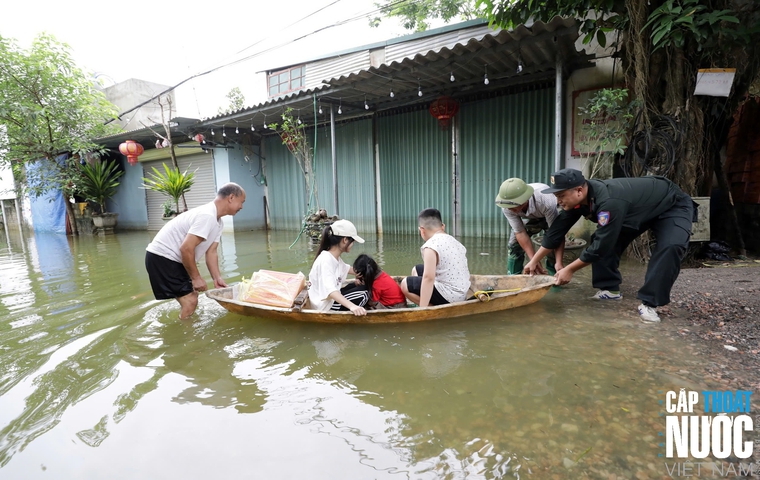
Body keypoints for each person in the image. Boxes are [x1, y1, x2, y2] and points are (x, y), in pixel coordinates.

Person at [523, 168, 695, 323]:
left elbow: (600, 247)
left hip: (671, 204)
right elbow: (556, 232)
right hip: (636, 211)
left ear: (579, 190)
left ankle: (650, 303)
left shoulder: (609, 202)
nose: (558, 201)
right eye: (556, 197)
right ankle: (610, 289)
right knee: (605, 236)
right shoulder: (578, 200)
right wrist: (533, 261)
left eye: (560, 196)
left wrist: (570, 269)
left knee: (671, 246)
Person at [145, 183, 246, 319]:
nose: (242, 207)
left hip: (172, 259)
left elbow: (211, 252)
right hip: (163, 257)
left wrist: (217, 278)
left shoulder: (218, 222)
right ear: (231, 197)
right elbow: (186, 248)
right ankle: (185, 336)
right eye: (242, 202)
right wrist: (196, 278)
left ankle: (186, 324)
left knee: (191, 297)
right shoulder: (207, 215)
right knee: (191, 300)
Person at [400, 208, 471, 307]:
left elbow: (428, 278)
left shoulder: (430, 246)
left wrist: (422, 308)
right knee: (416, 269)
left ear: (422, 230)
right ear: (443, 227)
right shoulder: (455, 242)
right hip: (462, 293)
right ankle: (429, 302)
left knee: (405, 284)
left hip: (451, 296)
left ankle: (429, 308)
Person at [495, 177, 565, 275]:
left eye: (514, 205)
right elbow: (520, 232)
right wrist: (534, 261)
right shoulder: (506, 205)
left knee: (552, 245)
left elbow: (556, 235)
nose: (510, 209)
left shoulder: (546, 200)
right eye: (508, 206)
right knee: (514, 245)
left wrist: (559, 262)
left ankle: (555, 275)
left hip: (548, 212)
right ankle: (513, 277)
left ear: (525, 200)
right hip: (528, 217)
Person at [308, 219, 369, 315]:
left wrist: (370, 272)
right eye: (352, 241)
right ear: (345, 240)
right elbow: (331, 291)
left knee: (363, 286)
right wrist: (352, 306)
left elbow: (351, 269)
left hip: (330, 299)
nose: (352, 245)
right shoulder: (326, 260)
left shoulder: (335, 258)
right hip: (325, 306)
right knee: (365, 293)